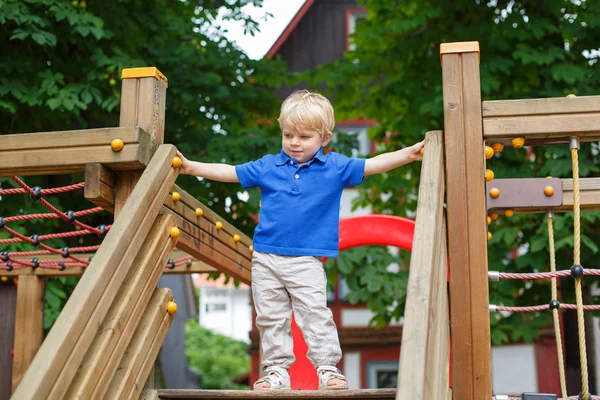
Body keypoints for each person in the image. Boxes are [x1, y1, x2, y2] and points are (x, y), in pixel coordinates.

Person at [176, 90, 424, 390]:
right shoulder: (269, 166)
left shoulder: (334, 167)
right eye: (288, 134)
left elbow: (372, 164)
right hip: (266, 256)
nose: (294, 142)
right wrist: (191, 167)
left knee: (314, 313)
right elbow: (230, 172)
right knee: (271, 317)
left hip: (305, 259)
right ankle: (277, 371)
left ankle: (327, 367)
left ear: (325, 137)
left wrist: (409, 153)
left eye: (304, 137)